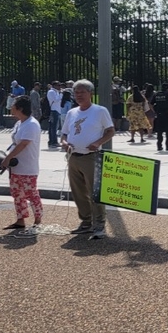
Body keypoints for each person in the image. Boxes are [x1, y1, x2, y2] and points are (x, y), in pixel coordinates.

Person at [59, 79, 115, 239]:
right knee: (78, 192)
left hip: (91, 157)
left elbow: (110, 131)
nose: (79, 95)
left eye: (82, 92)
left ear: (90, 93)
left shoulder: (99, 111)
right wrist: (64, 142)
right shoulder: (72, 113)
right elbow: (64, 133)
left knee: (94, 192)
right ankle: (86, 222)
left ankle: (99, 225)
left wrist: (98, 143)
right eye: (76, 92)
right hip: (73, 157)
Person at [0, 95, 43, 231]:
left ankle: (38, 218)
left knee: (31, 193)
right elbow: (16, 143)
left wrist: (7, 158)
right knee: (17, 193)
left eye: (13, 105)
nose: (10, 108)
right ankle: (20, 220)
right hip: (16, 166)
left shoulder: (31, 124)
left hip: (28, 166)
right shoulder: (19, 123)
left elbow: (23, 144)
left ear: (20, 108)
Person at [151, 83, 168, 151]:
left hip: (159, 115)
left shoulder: (156, 94)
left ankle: (159, 146)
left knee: (159, 132)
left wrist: (154, 111)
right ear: (167, 88)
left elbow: (151, 104)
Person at [46, 81, 63, 148]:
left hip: (57, 110)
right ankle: (53, 142)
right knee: (53, 127)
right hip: (54, 111)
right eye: (58, 85)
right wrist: (61, 94)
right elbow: (56, 100)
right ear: (55, 86)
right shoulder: (51, 92)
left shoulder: (56, 92)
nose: (59, 87)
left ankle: (53, 141)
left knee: (55, 127)